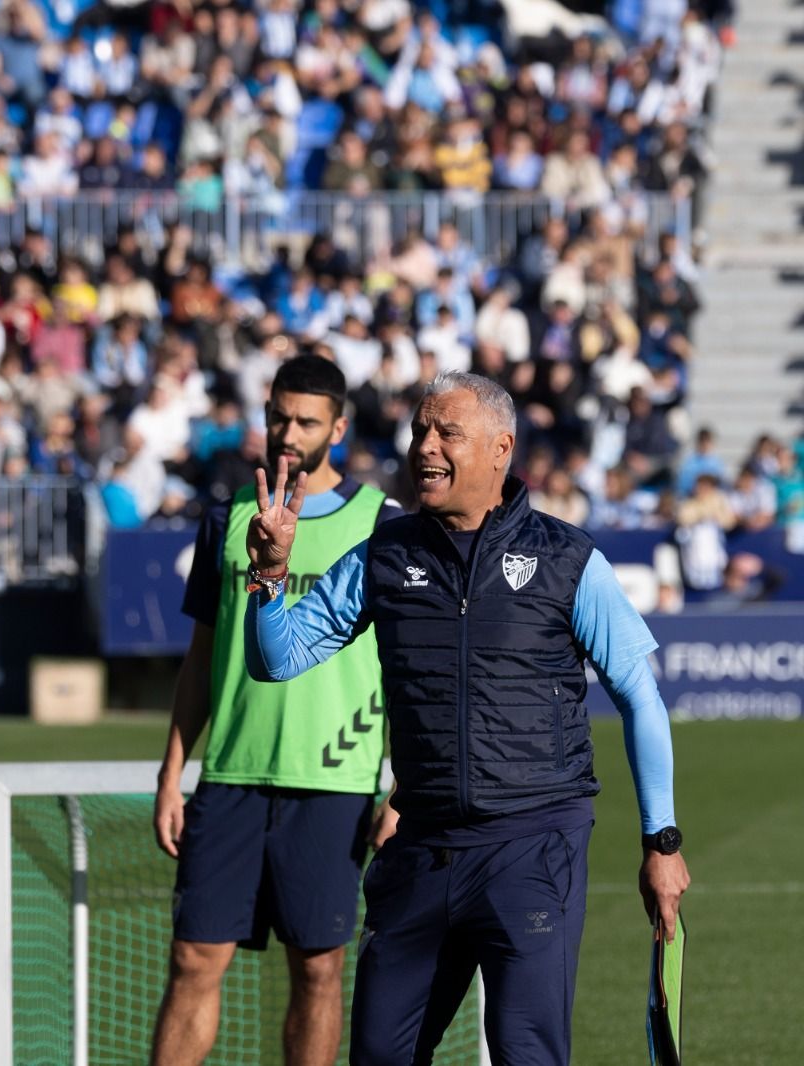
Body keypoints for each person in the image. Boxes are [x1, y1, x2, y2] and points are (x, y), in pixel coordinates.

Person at [244, 371, 691, 1065]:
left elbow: (640, 695)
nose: (425, 445)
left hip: (532, 847)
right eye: (420, 429)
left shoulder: (567, 559)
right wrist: (270, 579)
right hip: (420, 848)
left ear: (499, 449)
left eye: (447, 432)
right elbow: (278, 658)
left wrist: (661, 843)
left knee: (526, 1055)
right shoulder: (384, 555)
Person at [151, 356, 403, 1066]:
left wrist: (401, 787)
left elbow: (408, 666)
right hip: (230, 772)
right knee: (194, 960)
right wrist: (173, 774)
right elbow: (201, 659)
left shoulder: (381, 525)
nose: (288, 433)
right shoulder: (227, 518)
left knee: (319, 970)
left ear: (340, 427)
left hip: (334, 779)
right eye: (278, 417)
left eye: (306, 421)